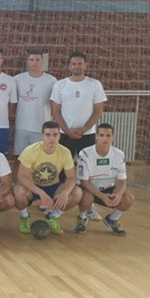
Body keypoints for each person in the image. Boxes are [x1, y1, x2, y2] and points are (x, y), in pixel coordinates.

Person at [50, 51, 107, 220]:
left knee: (87, 171)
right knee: (62, 171)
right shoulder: (60, 85)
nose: (76, 66)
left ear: (86, 65)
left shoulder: (94, 84)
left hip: (87, 135)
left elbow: (98, 110)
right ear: (69, 66)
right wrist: (67, 131)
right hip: (64, 135)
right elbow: (55, 111)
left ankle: (89, 206)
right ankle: (59, 202)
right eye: (73, 63)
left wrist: (84, 129)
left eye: (80, 63)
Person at [13, 121, 83, 235]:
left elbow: (71, 177)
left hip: (53, 186)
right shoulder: (30, 151)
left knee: (77, 192)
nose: (51, 138)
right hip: (33, 187)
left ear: (59, 136)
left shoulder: (65, 152)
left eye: (55, 135)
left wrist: (65, 193)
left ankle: (53, 216)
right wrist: (41, 193)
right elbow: (21, 176)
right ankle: (24, 216)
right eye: (48, 135)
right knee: (18, 191)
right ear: (42, 136)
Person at [74, 123, 135, 236]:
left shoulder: (119, 155)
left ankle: (112, 219)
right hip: (89, 189)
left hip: (107, 189)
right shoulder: (85, 154)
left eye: (108, 135)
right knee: (87, 197)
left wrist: (118, 194)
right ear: (96, 136)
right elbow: (84, 182)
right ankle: (82, 218)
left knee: (128, 198)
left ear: (113, 137)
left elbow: (122, 181)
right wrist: (102, 196)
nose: (105, 139)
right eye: (102, 135)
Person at [13, 48, 56, 156]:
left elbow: (54, 105)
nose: (34, 62)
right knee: (20, 158)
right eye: (31, 60)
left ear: (42, 62)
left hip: (41, 127)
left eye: (37, 60)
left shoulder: (51, 80)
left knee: (39, 158)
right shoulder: (17, 79)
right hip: (21, 126)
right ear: (27, 61)